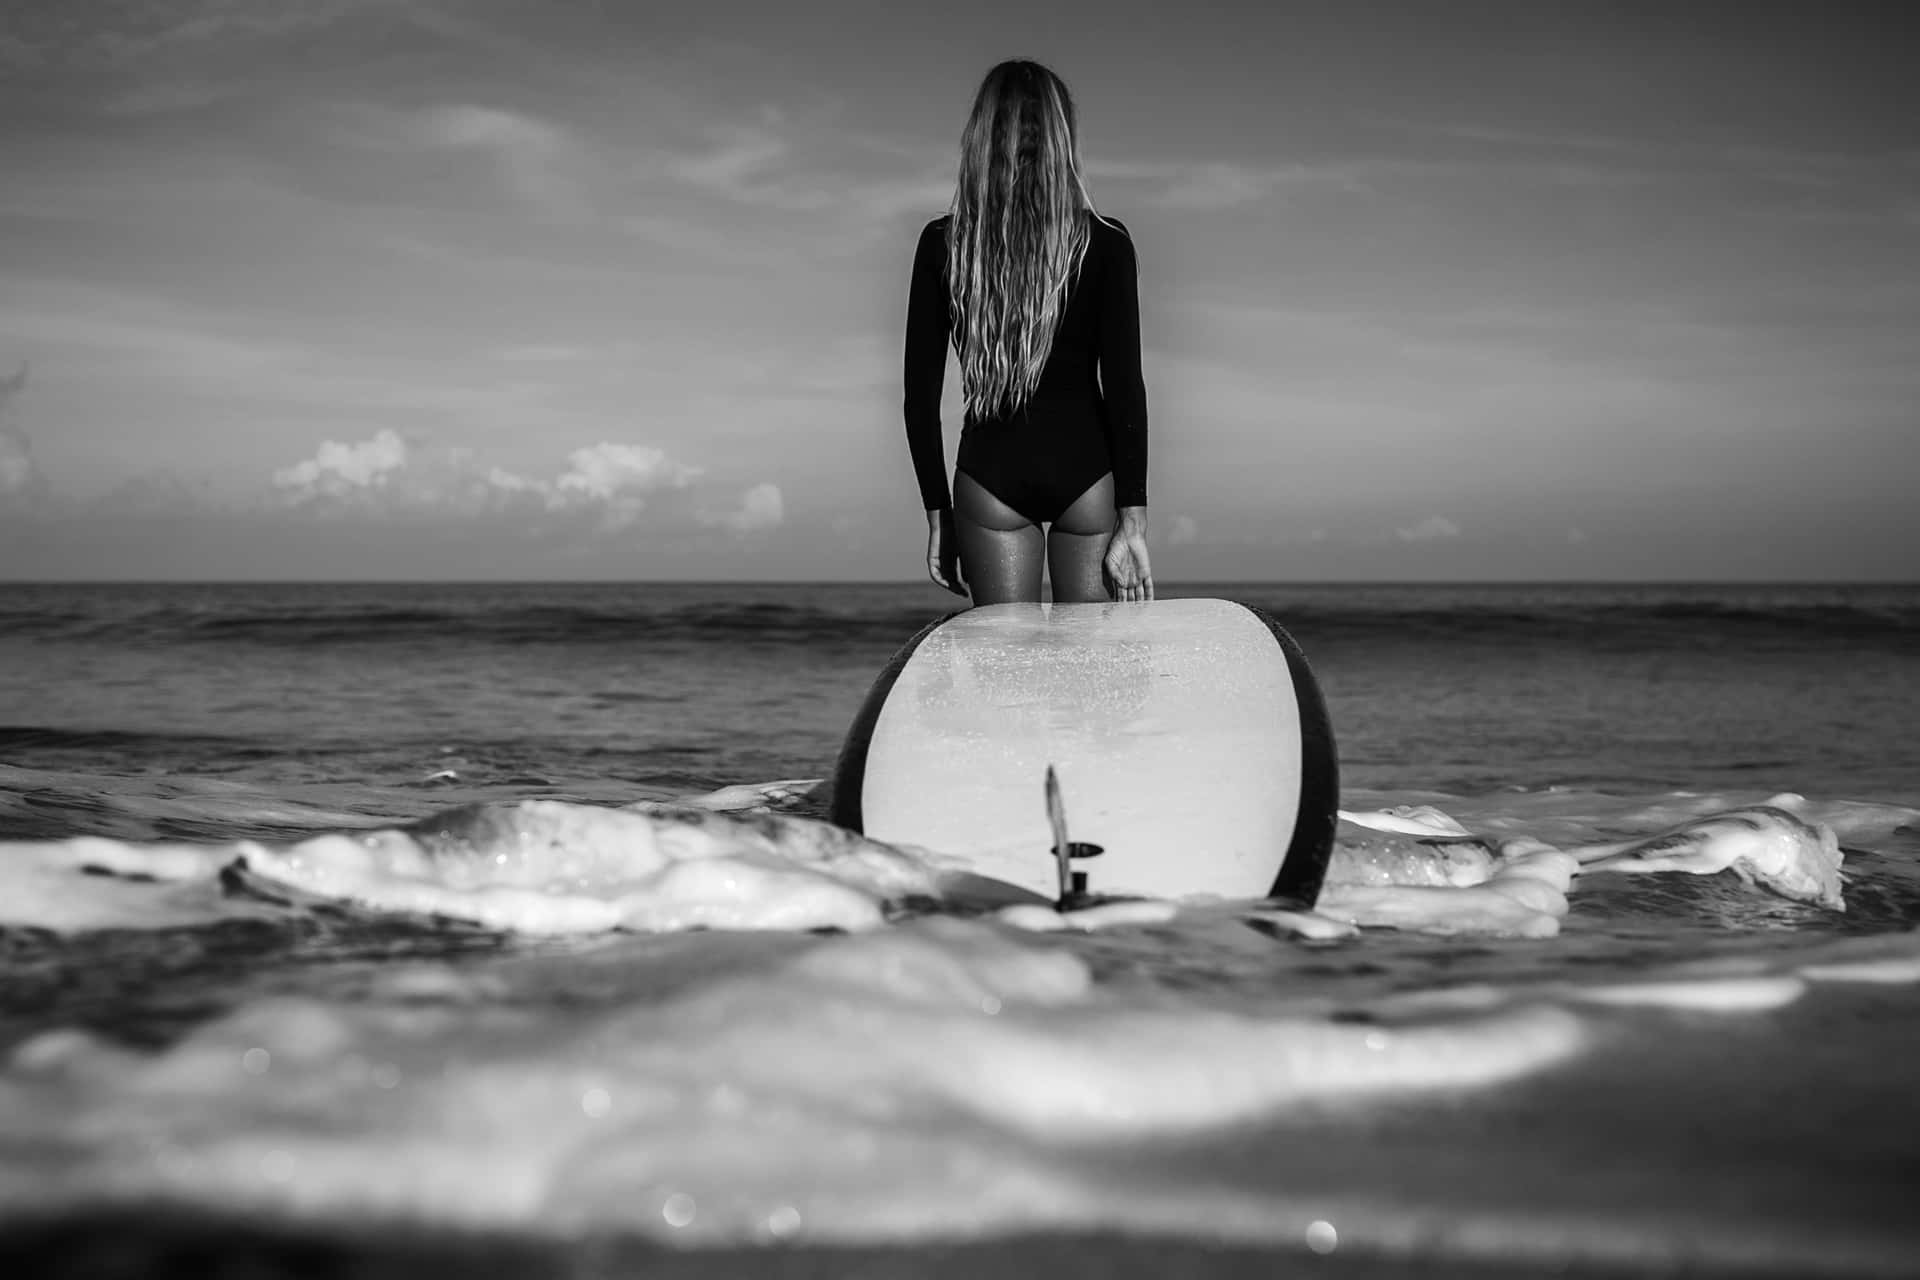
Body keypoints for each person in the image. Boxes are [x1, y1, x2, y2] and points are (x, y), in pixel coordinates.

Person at [903, 59, 1154, 606]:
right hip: (1087, 477)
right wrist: (1132, 518)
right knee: (1086, 679)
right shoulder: (1106, 243)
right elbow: (1125, 388)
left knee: (1004, 680)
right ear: (1063, 139)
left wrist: (938, 514)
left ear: (981, 138)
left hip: (990, 481)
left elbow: (919, 404)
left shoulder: (946, 245)